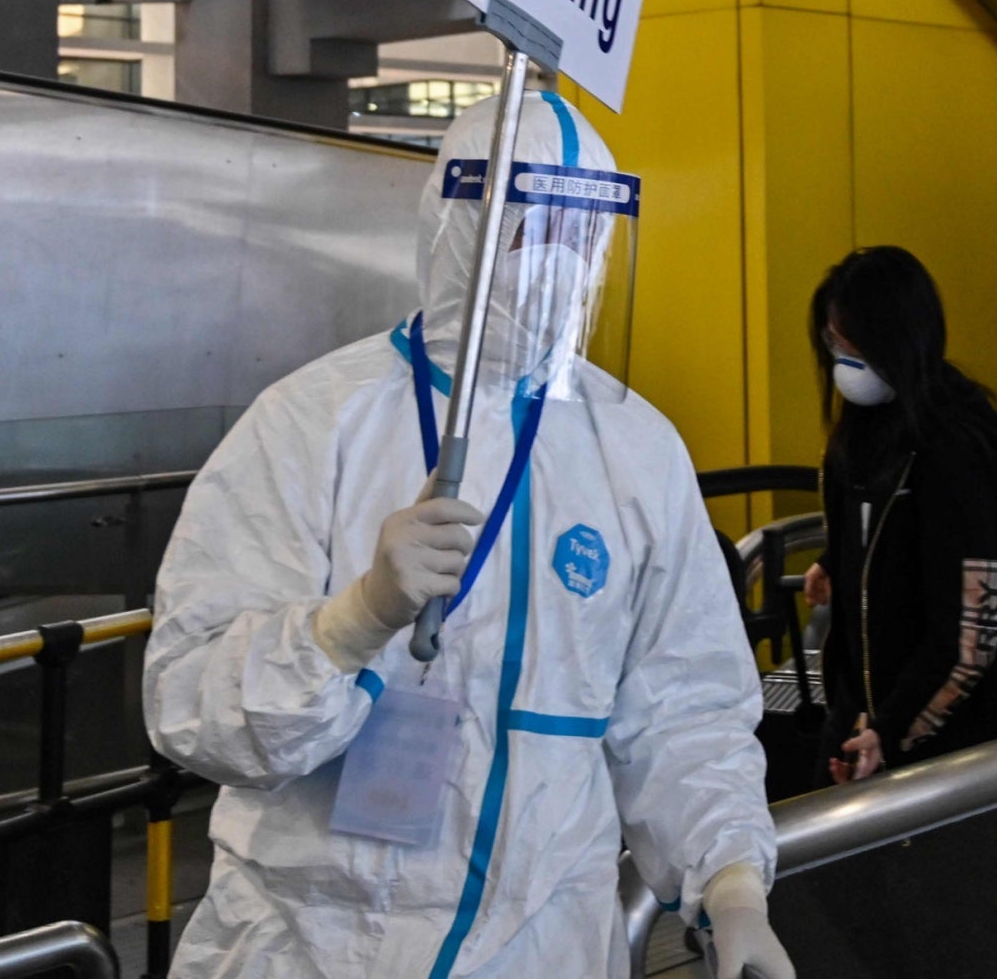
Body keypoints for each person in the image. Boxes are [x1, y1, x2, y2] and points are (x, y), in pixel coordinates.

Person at [145, 93, 791, 979]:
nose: (557, 265)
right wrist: (351, 621)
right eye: (531, 232)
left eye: (581, 235)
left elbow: (685, 709)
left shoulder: (634, 449)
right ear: (460, 226)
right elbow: (191, 706)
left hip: (545, 945)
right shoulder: (311, 423)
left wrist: (730, 883)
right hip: (312, 944)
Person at [793, 245, 997, 977]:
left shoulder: (954, 446)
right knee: (855, 913)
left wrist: (893, 732)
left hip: (950, 751)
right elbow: (874, 546)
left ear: (895, 337)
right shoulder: (859, 441)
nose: (839, 358)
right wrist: (837, 569)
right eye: (832, 342)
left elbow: (973, 633)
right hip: (867, 727)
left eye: (850, 341)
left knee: (966, 932)